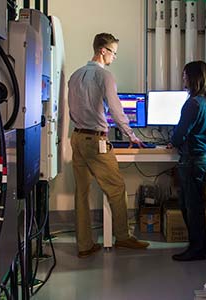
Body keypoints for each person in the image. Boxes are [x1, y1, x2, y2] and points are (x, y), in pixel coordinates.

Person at [68, 33, 149, 258]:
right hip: (96, 141)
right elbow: (116, 110)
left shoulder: (75, 76)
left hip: (77, 138)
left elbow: (71, 110)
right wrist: (131, 135)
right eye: (113, 52)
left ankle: (84, 246)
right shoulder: (105, 76)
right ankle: (123, 237)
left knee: (82, 193)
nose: (114, 57)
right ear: (103, 51)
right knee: (116, 188)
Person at [169, 61, 206, 261]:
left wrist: (172, 141)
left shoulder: (193, 103)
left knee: (190, 206)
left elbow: (180, 134)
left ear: (193, 78)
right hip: (202, 158)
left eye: (184, 76)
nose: (183, 80)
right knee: (195, 204)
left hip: (191, 160)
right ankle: (202, 244)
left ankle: (196, 248)